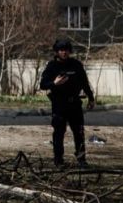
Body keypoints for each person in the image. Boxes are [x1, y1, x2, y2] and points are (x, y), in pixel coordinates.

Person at [39, 39, 95, 167]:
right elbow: (43, 85)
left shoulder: (76, 65)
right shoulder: (52, 66)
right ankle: (58, 161)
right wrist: (54, 83)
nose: (64, 53)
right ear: (57, 51)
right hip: (59, 104)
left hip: (75, 103)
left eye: (66, 50)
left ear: (70, 51)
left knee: (79, 132)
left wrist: (91, 98)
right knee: (59, 133)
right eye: (61, 50)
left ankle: (81, 159)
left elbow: (84, 83)